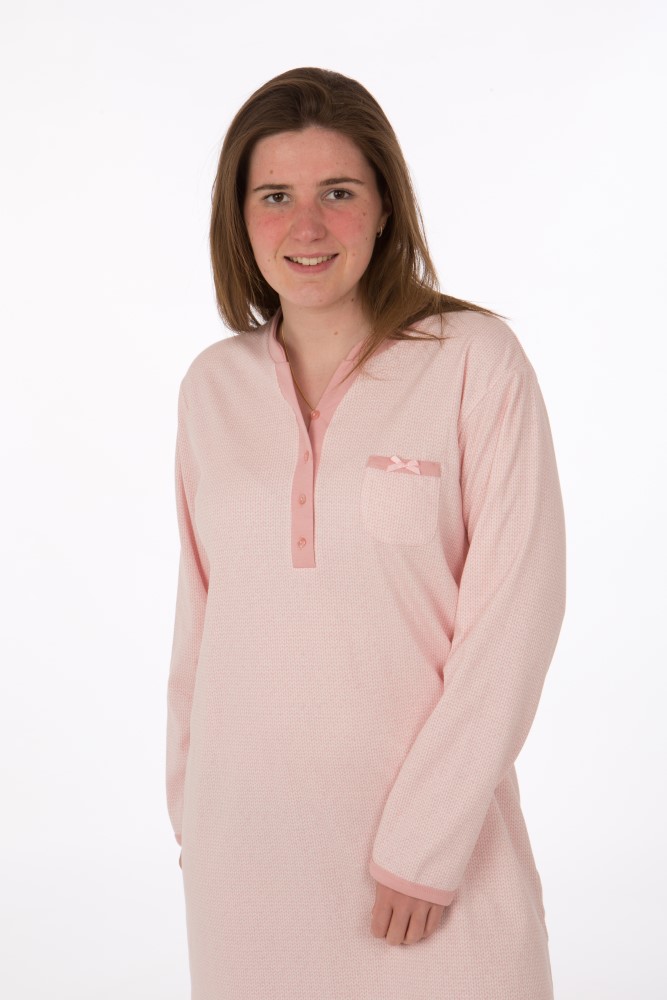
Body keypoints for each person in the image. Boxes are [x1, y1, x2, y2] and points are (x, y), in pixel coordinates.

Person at [165, 66, 566, 1000]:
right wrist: (191, 814)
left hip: (433, 866)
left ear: (384, 206)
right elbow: (200, 619)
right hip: (244, 866)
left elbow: (517, 614)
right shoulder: (210, 388)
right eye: (275, 196)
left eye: (337, 193)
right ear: (239, 217)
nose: (306, 227)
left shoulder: (472, 361)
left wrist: (426, 843)